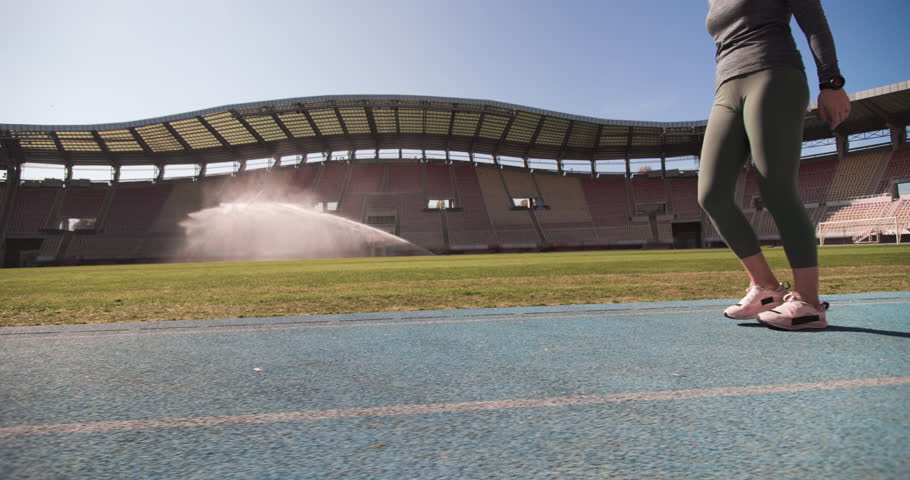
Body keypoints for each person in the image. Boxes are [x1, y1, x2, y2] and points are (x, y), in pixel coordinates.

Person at [698, 0, 851, 330]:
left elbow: (813, 21)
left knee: (776, 187)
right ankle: (766, 289)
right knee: (711, 194)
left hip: (774, 72)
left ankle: (809, 302)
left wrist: (831, 83)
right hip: (726, 87)